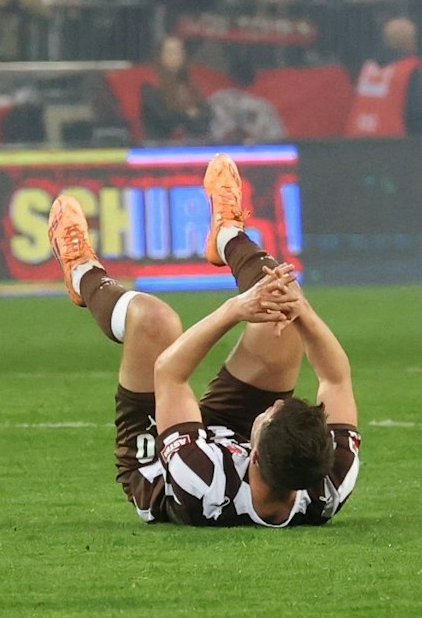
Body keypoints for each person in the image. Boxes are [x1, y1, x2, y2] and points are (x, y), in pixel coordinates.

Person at [47, 154, 360, 527]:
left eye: (270, 413)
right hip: (234, 439)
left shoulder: (203, 480)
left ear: (255, 456)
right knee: (284, 308)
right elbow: (336, 379)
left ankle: (82, 273)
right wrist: (300, 310)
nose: (272, 406)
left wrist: (234, 310)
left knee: (154, 321)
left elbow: (169, 374)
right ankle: (227, 232)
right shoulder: (328, 481)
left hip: (158, 459)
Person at [138, 35, 211, 142]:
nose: (175, 56)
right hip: (161, 146)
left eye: (179, 52)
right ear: (160, 56)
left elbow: (206, 115)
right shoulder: (150, 86)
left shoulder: (190, 84)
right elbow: (165, 119)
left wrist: (189, 116)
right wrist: (188, 113)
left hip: (193, 143)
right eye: (170, 52)